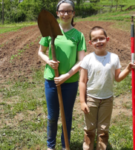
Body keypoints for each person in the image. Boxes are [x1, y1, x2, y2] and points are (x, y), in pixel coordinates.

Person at [38, 0, 86, 150]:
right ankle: (50, 146)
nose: (65, 14)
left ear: (73, 13)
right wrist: (49, 61)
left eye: (69, 11)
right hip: (52, 81)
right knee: (52, 117)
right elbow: (41, 51)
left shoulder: (78, 35)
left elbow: (81, 61)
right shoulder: (49, 32)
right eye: (62, 11)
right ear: (57, 13)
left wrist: (66, 76)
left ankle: (66, 145)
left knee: (66, 116)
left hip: (70, 82)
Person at [79, 26, 135, 150]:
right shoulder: (87, 59)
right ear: (90, 43)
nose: (98, 41)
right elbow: (82, 81)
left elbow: (118, 77)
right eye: (95, 40)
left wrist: (128, 68)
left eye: (101, 38)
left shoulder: (114, 58)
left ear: (107, 39)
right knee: (89, 128)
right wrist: (83, 101)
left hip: (107, 99)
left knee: (103, 129)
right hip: (91, 99)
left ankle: (101, 148)